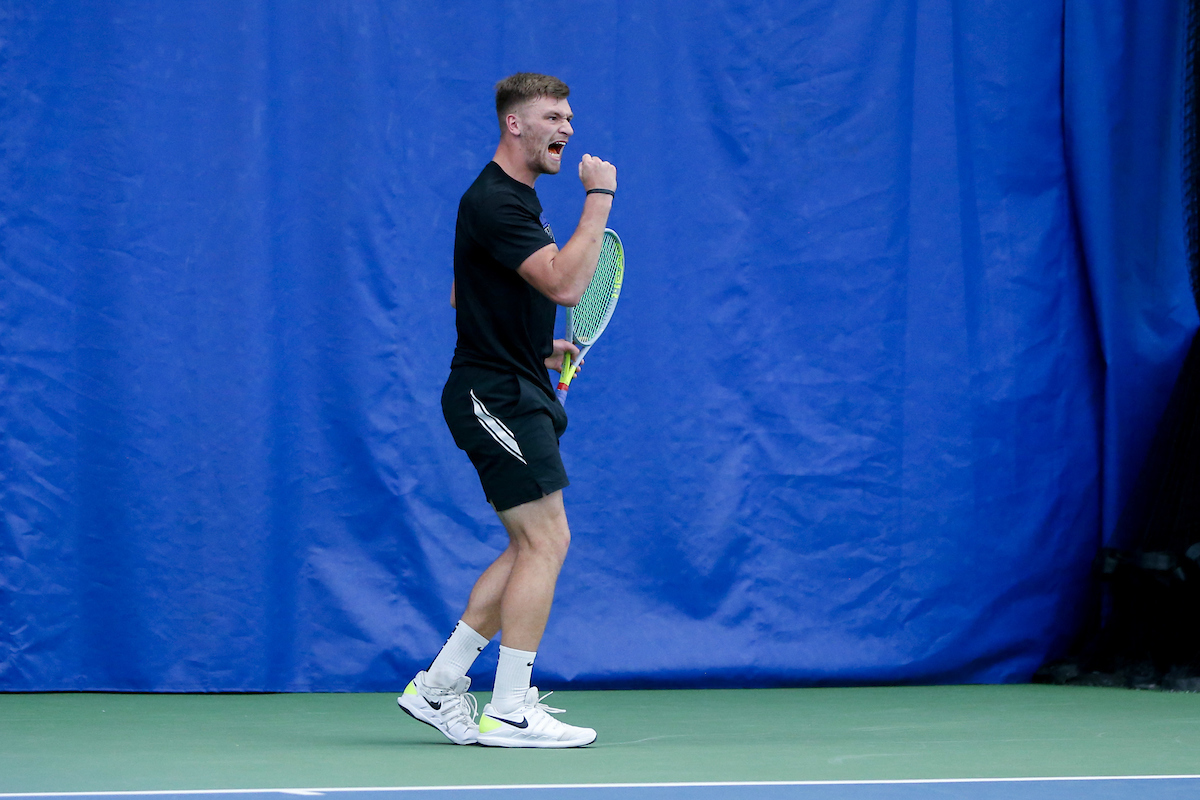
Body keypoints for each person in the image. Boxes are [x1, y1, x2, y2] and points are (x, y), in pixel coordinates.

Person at [397, 73, 616, 748]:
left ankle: (438, 686)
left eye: (570, 116)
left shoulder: (513, 204)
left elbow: (469, 297)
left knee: (531, 545)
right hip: (491, 395)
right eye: (553, 116)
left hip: (511, 382)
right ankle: (511, 707)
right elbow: (567, 280)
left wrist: (538, 349)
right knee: (547, 540)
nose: (568, 128)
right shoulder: (496, 200)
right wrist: (599, 197)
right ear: (514, 124)